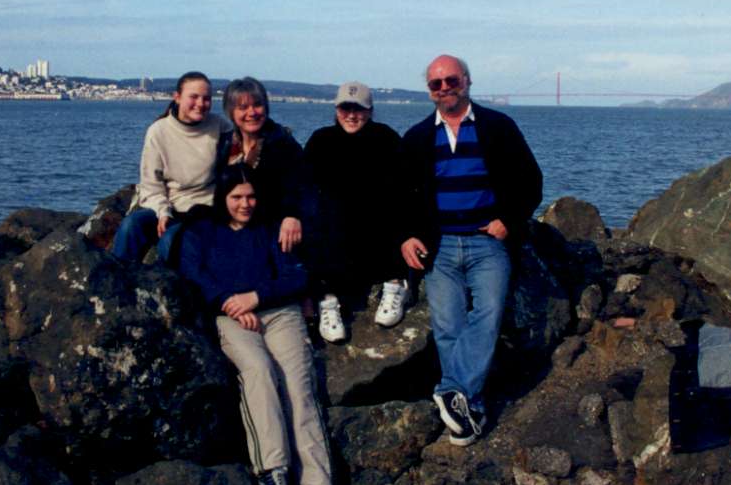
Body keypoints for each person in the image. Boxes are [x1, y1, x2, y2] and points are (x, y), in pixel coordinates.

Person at [178, 164, 335, 485]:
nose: (245, 204)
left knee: (299, 388)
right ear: (222, 197)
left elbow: (296, 275)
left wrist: (255, 296)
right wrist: (232, 302)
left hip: (280, 313)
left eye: (251, 196)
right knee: (259, 372)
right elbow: (193, 276)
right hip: (232, 316)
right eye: (236, 197)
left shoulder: (270, 227)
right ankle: (273, 468)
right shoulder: (201, 231)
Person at [399, 55, 543, 446]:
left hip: (486, 241)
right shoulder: (416, 137)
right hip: (440, 245)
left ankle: (451, 392)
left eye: (451, 80)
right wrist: (408, 236)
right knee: (447, 326)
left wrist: (509, 220)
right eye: (436, 84)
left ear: (467, 81)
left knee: (489, 314)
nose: (444, 88)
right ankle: (468, 409)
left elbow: (531, 180)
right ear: (429, 90)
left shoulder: (499, 127)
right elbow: (401, 196)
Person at [303, 81, 409, 342]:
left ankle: (396, 284)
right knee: (319, 224)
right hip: (337, 230)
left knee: (395, 213)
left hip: (376, 228)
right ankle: (327, 302)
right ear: (336, 110)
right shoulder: (320, 140)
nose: (351, 115)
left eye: (359, 109)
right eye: (345, 109)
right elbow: (303, 186)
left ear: (370, 111)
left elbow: (407, 187)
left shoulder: (387, 138)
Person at [112, 71, 230, 263]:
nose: (200, 104)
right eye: (193, 97)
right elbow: (151, 183)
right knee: (130, 226)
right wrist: (162, 211)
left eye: (206, 98)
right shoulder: (159, 131)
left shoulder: (220, 126)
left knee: (170, 240)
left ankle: (164, 288)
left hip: (202, 209)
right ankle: (113, 281)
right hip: (167, 204)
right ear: (177, 97)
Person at [217, 77, 306, 254]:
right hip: (233, 223)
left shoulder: (283, 144)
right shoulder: (226, 144)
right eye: (243, 107)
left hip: (271, 226)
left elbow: (302, 186)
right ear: (231, 112)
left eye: (257, 105)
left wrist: (293, 216)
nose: (252, 112)